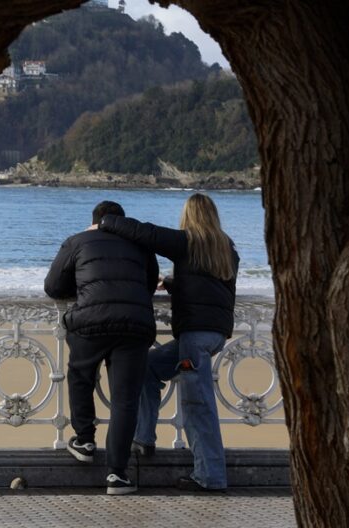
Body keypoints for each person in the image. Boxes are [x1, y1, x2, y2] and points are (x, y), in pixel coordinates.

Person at [98, 193, 239, 492]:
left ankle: (210, 477)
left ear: (189, 216)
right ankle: (143, 438)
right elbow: (212, 285)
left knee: (198, 406)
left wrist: (105, 222)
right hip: (213, 335)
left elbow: (144, 232)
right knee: (148, 368)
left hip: (195, 336)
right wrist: (175, 284)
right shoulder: (226, 248)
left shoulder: (188, 241)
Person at [44, 200, 158, 495]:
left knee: (81, 375)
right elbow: (147, 285)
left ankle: (84, 439)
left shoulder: (77, 241)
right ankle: (117, 474)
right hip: (135, 326)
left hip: (90, 322)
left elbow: (53, 287)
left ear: (93, 220)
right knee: (125, 400)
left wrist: (84, 290)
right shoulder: (142, 246)